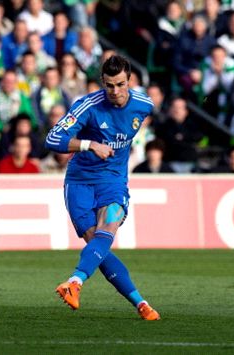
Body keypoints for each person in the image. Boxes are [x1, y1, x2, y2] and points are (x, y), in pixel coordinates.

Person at [45, 55, 161, 321]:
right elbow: (53, 138)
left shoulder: (144, 105)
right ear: (102, 83)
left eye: (120, 84)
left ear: (129, 80)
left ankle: (74, 282)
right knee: (98, 248)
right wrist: (89, 144)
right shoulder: (88, 105)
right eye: (109, 85)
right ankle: (141, 303)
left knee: (106, 230)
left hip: (112, 181)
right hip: (80, 182)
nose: (115, 91)